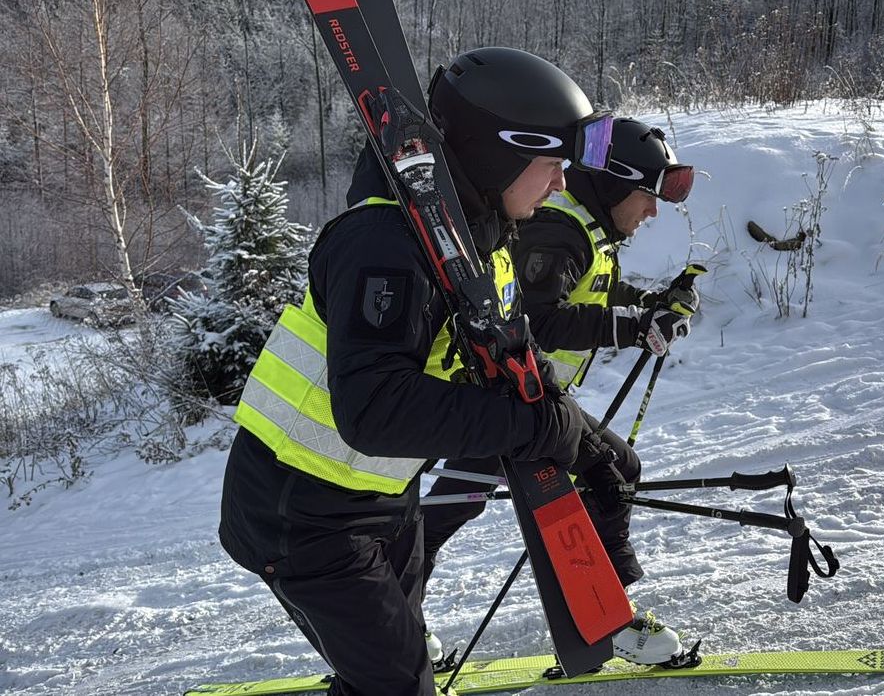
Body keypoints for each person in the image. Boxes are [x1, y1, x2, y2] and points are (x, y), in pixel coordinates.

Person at [218, 47, 616, 696]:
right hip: (301, 513)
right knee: (399, 686)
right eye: (552, 165)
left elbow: (512, 347)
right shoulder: (385, 244)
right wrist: (524, 425)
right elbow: (375, 410)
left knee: (398, 675)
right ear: (499, 154)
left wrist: (581, 440)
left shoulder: (479, 243)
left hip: (380, 500)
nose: (562, 185)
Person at [421, 118, 697, 666]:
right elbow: (542, 319)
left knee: (457, 506)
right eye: (647, 196)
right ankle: (608, 621)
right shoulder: (557, 228)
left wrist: (652, 304)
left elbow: (592, 288)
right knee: (455, 507)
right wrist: (631, 326)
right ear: (617, 183)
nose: (651, 212)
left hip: (526, 399)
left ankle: (605, 616)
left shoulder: (586, 230)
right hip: (503, 400)